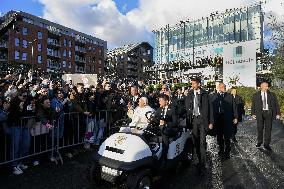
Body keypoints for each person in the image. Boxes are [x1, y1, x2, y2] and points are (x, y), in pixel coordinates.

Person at [185, 77, 214, 175]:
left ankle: (202, 164)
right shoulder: (189, 94)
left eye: (194, 83)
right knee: (196, 142)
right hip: (193, 121)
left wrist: (211, 122)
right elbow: (186, 107)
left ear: (199, 84)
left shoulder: (205, 94)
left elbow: (210, 109)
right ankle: (199, 160)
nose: (192, 85)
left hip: (203, 120)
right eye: (192, 83)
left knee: (202, 143)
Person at [251, 81, 281, 151]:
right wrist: (253, 113)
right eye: (265, 86)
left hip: (268, 113)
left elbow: (276, 104)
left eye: (267, 86)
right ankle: (259, 141)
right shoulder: (255, 95)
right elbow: (253, 105)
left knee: (268, 129)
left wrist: (278, 113)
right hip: (259, 113)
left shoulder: (272, 94)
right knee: (260, 128)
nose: (267, 87)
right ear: (261, 86)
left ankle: (266, 144)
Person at [211, 83, 238, 159]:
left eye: (225, 87)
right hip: (218, 119)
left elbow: (234, 107)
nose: (224, 88)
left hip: (227, 119)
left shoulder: (230, 96)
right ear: (219, 88)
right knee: (219, 136)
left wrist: (235, 117)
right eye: (223, 87)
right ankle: (221, 149)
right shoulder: (214, 96)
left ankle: (227, 151)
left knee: (227, 136)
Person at [151, 94, 177, 165]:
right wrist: (152, 120)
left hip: (171, 129)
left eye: (161, 101)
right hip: (161, 128)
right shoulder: (159, 109)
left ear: (166, 101)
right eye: (159, 101)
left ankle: (164, 158)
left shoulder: (172, 109)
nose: (159, 102)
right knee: (148, 130)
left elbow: (175, 123)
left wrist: (166, 123)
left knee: (164, 131)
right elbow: (155, 120)